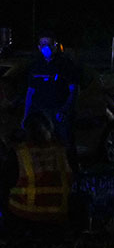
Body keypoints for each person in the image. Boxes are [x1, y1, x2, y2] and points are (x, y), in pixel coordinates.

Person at [24, 35, 80, 172]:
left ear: (55, 45)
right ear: (38, 47)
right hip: (41, 113)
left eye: (48, 44)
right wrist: (26, 115)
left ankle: (73, 175)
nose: (46, 47)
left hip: (59, 113)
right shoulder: (37, 66)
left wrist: (65, 110)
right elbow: (30, 92)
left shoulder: (65, 65)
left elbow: (73, 90)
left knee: (65, 145)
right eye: (42, 44)